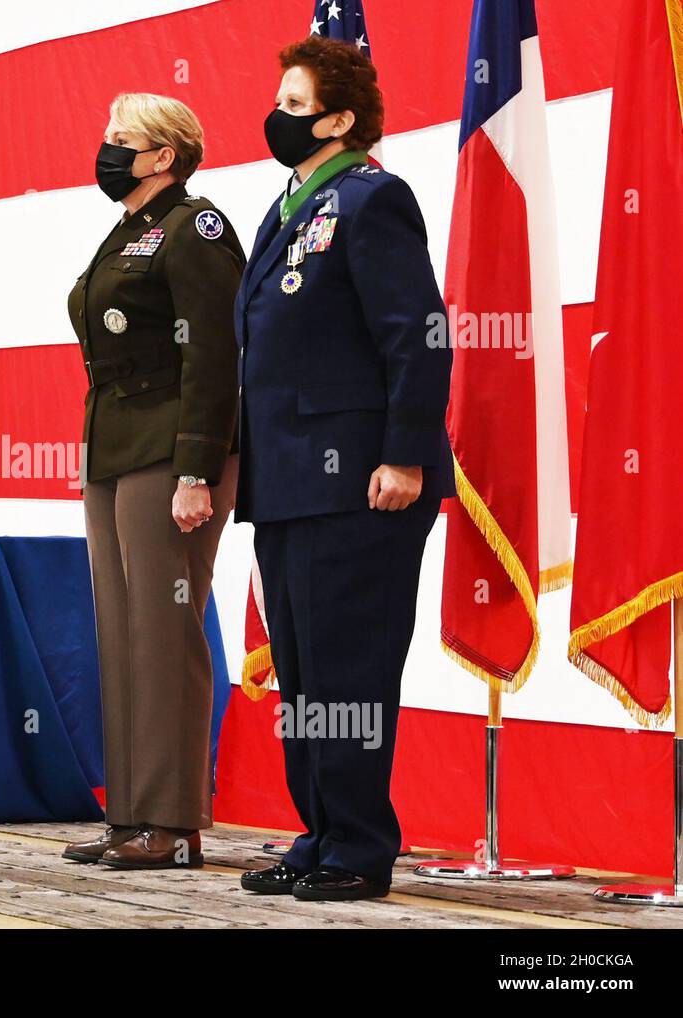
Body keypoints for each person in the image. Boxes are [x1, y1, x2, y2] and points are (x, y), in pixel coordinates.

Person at [234, 37, 454, 901]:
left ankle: (360, 845)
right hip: (288, 481)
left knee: (350, 670)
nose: (278, 118)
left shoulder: (373, 199)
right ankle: (319, 829)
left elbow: (419, 335)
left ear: (340, 118)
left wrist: (404, 452)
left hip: (362, 478)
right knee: (303, 671)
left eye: (294, 106)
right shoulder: (287, 205)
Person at [62, 94, 245, 870]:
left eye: (121, 139)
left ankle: (170, 823)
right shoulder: (130, 230)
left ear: (164, 155)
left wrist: (197, 468)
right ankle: (130, 811)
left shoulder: (194, 227)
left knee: (165, 633)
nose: (105, 148)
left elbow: (215, 354)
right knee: (122, 633)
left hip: (172, 447)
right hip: (113, 448)